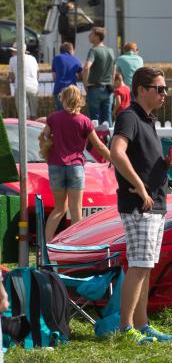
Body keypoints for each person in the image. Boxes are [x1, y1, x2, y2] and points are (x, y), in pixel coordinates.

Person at [111, 67, 172, 345]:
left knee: (145, 266)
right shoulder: (129, 116)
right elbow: (116, 152)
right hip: (141, 205)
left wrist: (167, 164)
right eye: (159, 89)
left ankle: (142, 325)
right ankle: (127, 328)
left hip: (153, 204)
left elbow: (145, 160)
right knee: (138, 266)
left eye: (165, 89)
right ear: (141, 90)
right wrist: (139, 187)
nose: (165, 94)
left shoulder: (147, 120)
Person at [39, 85, 112, 244]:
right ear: (79, 100)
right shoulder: (85, 121)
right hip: (75, 167)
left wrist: (49, 148)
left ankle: (45, 246)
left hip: (56, 165)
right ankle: (75, 245)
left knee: (59, 208)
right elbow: (99, 146)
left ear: (63, 99)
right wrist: (113, 159)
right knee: (76, 209)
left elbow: (44, 137)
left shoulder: (53, 118)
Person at [81, 27, 116, 123]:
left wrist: (85, 83)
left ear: (97, 36)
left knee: (95, 120)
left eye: (91, 34)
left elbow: (87, 67)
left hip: (95, 88)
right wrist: (111, 83)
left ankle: (96, 138)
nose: (89, 36)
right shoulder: (110, 51)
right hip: (108, 89)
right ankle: (108, 137)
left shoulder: (93, 50)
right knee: (107, 117)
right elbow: (114, 71)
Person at [8, 46, 39, 120]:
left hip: (20, 86)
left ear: (17, 51)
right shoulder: (33, 58)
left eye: (13, 51)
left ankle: (26, 130)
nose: (11, 53)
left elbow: (12, 76)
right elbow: (38, 75)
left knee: (24, 114)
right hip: (33, 86)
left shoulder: (12, 59)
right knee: (34, 113)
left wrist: (11, 80)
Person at [52, 42, 82, 111]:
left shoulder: (56, 58)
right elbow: (81, 76)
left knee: (60, 113)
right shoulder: (76, 60)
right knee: (73, 111)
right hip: (72, 91)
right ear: (71, 50)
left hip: (59, 89)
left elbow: (54, 76)